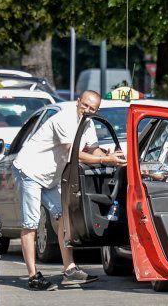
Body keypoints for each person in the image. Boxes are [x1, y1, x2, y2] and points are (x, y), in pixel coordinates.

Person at [12, 90, 125, 290]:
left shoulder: (88, 123)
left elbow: (92, 149)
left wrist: (111, 156)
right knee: (31, 223)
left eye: (93, 108)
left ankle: (70, 269)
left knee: (64, 216)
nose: (88, 111)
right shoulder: (64, 119)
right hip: (30, 171)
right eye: (85, 106)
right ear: (78, 102)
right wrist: (104, 159)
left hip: (51, 177)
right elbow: (74, 153)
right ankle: (33, 276)